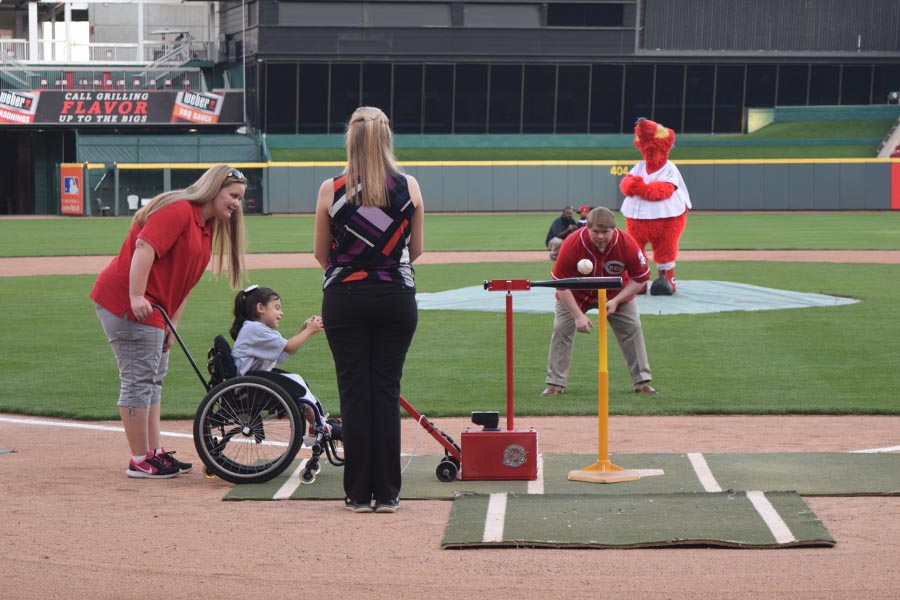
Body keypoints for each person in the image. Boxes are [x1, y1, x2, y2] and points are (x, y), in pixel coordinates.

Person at [91, 164, 247, 478]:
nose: (236, 203)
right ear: (214, 189)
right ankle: (140, 459)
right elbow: (144, 248)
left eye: (240, 198)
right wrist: (136, 296)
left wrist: (172, 323)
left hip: (156, 311)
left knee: (153, 378)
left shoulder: (205, 225)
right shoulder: (179, 211)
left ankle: (154, 452)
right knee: (138, 379)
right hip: (128, 304)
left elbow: (185, 282)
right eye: (233, 195)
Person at [314, 106, 424, 514]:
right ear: (387, 137)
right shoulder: (409, 186)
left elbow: (320, 254)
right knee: (385, 391)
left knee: (354, 393)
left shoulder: (332, 188)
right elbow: (417, 251)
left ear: (350, 139)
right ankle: (389, 492)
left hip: (344, 297)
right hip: (396, 295)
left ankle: (358, 493)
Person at [542, 207, 657, 397]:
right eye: (596, 231)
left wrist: (617, 301)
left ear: (614, 229)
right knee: (562, 329)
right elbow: (560, 284)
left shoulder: (626, 242)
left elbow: (641, 278)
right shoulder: (572, 243)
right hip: (576, 294)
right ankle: (555, 384)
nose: (601, 236)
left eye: (605, 232)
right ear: (587, 228)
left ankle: (641, 382)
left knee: (633, 328)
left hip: (616, 293)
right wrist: (578, 316)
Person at [230, 284, 325, 426]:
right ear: (260, 308)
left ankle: (318, 424)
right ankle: (319, 425)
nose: (281, 313)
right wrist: (309, 331)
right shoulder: (255, 329)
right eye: (277, 308)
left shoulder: (256, 329)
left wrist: (304, 328)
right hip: (249, 388)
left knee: (296, 381)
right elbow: (289, 347)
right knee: (296, 383)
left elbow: (289, 349)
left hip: (252, 383)